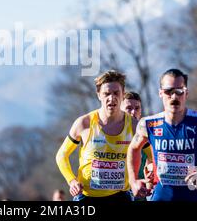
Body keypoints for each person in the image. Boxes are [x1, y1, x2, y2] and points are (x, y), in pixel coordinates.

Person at [127, 68, 197, 201]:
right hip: (161, 195)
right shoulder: (148, 124)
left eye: (179, 91)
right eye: (168, 91)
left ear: (186, 93)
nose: (174, 96)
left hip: (190, 196)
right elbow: (133, 148)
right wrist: (133, 180)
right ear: (160, 93)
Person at [55, 70, 136, 202]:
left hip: (120, 195)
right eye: (106, 94)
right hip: (87, 196)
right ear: (99, 95)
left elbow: (152, 155)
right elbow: (62, 155)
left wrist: (147, 175)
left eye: (116, 93)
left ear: (123, 94)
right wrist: (72, 181)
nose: (111, 98)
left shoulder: (134, 125)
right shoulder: (84, 123)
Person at [122, 92, 153, 200]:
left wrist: (149, 183)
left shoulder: (146, 133)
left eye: (137, 108)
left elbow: (153, 159)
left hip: (139, 190)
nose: (133, 112)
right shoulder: (111, 132)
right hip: (116, 190)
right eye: (128, 108)